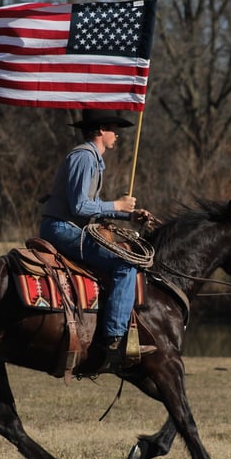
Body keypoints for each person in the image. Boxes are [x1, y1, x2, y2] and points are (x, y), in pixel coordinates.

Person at [40, 108, 156, 368]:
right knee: (125, 264)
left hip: (67, 226)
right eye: (115, 129)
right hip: (62, 228)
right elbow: (80, 206)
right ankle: (115, 341)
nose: (118, 135)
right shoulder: (84, 158)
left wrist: (130, 216)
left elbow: (89, 205)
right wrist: (117, 205)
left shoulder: (91, 157)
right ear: (100, 131)